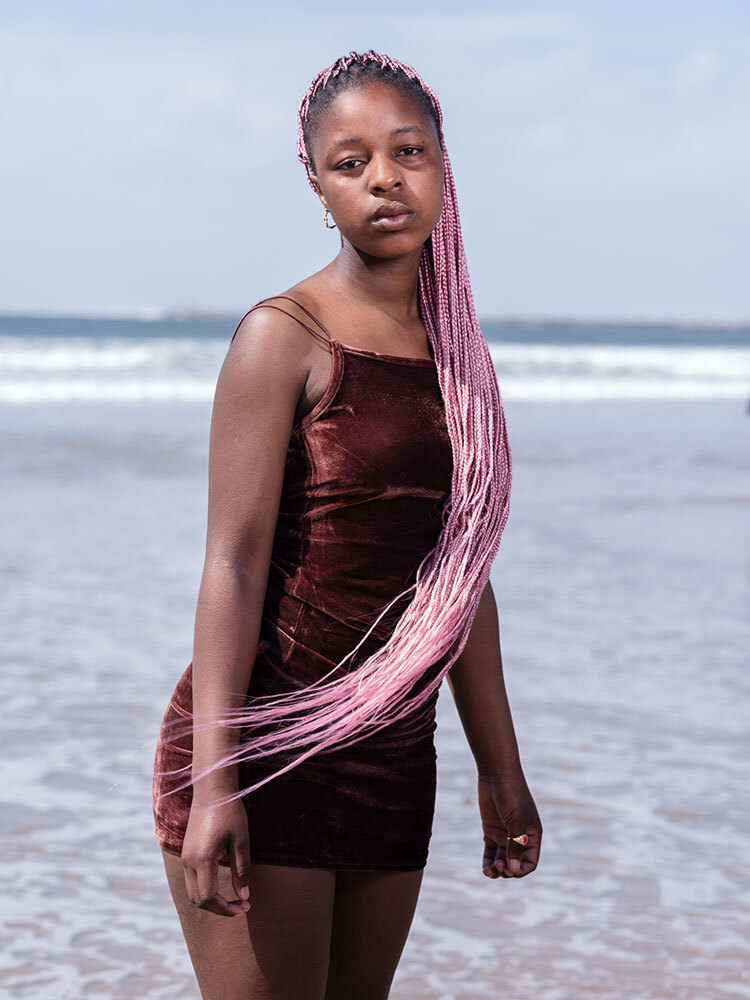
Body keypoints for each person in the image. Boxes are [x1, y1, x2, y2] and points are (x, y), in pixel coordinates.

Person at [152, 49, 542, 1000]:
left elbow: (459, 579)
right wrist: (214, 787)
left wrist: (502, 767)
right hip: (266, 746)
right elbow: (232, 567)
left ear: (445, 165)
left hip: (395, 757)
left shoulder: (461, 364)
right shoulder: (282, 336)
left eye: (407, 152)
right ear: (317, 184)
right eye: (351, 161)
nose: (384, 180)